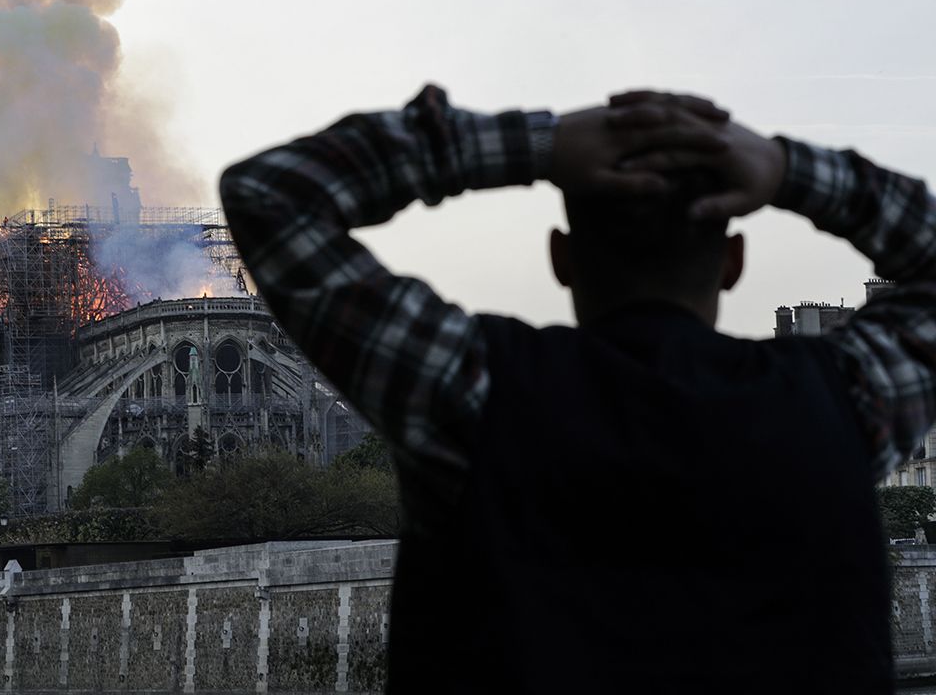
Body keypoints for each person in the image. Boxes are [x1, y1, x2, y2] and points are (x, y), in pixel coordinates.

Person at [219, 86, 936, 693]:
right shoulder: (847, 403)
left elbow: (271, 192)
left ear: (561, 258)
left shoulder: (469, 389)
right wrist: (786, 169)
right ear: (733, 262)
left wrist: (538, 145)